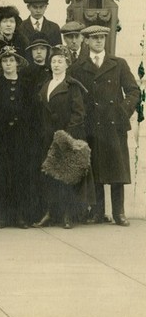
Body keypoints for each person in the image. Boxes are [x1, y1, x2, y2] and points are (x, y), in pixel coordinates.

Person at [69, 25, 140, 226]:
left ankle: (119, 213)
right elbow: (75, 97)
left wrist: (123, 112)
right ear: (87, 41)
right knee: (96, 170)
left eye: (101, 38)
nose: (99, 41)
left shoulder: (118, 64)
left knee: (118, 171)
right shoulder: (78, 67)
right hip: (91, 125)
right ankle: (98, 213)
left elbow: (134, 91)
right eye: (94, 38)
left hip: (114, 125)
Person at [33, 45, 95, 229]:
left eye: (60, 61)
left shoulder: (73, 86)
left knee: (67, 176)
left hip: (66, 138)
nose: (56, 64)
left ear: (67, 64)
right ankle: (50, 213)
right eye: (53, 61)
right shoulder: (45, 85)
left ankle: (68, 215)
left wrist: (67, 136)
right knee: (50, 176)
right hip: (47, 137)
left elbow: (79, 113)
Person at [0, 46, 33, 228]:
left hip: (21, 136)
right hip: (0, 136)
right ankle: (1, 216)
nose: (8, 64)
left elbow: (33, 112)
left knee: (20, 175)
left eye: (11, 61)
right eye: (4, 61)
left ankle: (19, 216)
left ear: (17, 63)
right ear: (1, 64)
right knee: (1, 175)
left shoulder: (26, 85)